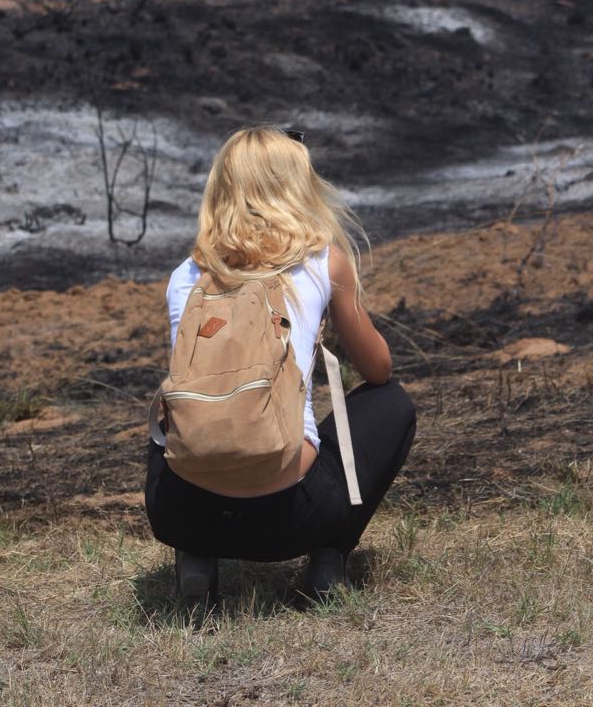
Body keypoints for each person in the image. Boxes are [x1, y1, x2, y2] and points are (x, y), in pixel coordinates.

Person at [145, 125, 416, 603]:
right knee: (391, 403)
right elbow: (379, 370)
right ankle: (329, 558)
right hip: (294, 516)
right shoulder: (322, 263)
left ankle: (195, 557)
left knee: (173, 410)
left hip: (181, 512)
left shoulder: (185, 275)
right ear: (296, 186)